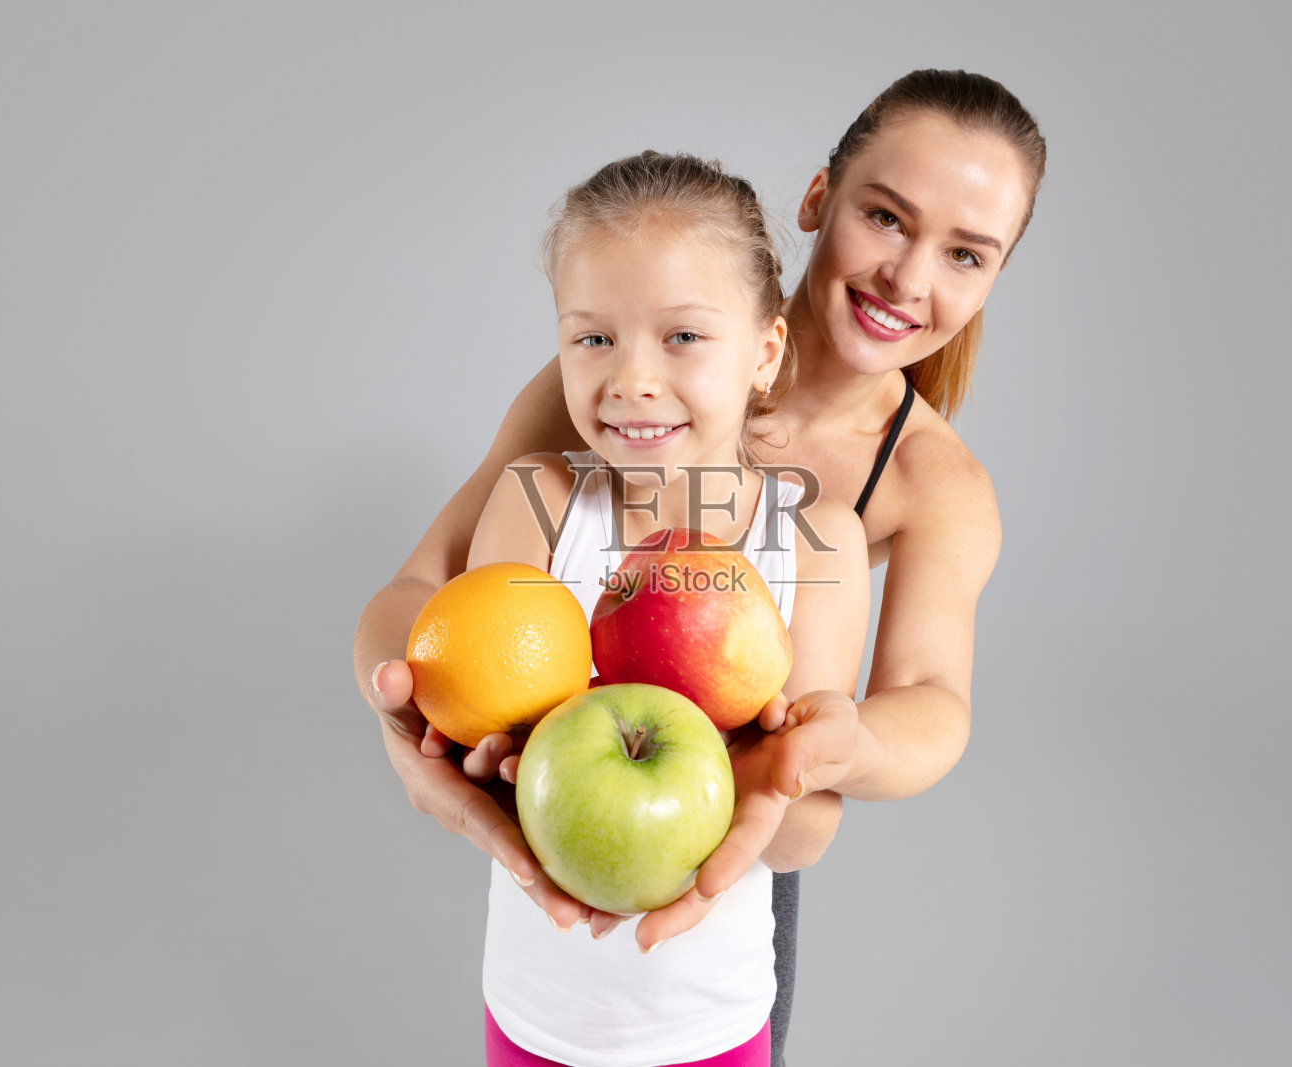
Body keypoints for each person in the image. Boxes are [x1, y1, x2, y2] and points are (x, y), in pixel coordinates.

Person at [355, 70, 1048, 1065]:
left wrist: (834, 742)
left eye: (965, 253)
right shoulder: (625, 366)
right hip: (558, 812)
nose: (906, 275)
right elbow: (438, 596)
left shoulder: (925, 483)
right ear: (819, 200)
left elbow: (928, 702)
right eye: (885, 217)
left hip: (735, 810)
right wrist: (409, 721)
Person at [458, 150, 870, 1065]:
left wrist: (761, 761)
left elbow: (803, 833)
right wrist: (495, 755)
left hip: (710, 1023)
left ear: (765, 353)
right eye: (593, 337)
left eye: (682, 336)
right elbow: (479, 748)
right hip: (536, 1016)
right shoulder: (540, 506)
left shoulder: (814, 541)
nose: (632, 378)